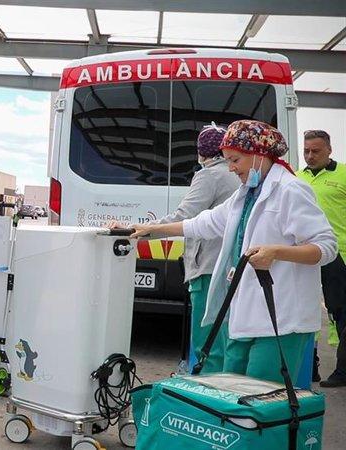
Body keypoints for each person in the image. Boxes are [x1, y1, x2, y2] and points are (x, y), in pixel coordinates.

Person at [124, 120, 337, 384]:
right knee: (234, 398)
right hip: (244, 314)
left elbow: (327, 247)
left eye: (235, 160)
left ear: (259, 155)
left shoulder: (291, 190)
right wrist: (149, 230)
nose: (231, 168)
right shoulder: (245, 194)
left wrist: (277, 252)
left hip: (280, 319)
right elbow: (202, 223)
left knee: (261, 401)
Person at [151, 123, 240, 372]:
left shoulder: (209, 174)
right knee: (224, 337)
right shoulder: (236, 173)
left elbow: (184, 217)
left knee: (207, 343)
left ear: (203, 153)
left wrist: (141, 231)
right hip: (229, 266)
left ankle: (209, 396)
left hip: (208, 266)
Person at [297, 129, 346, 388]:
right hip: (306, 255)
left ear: (329, 150)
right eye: (306, 151)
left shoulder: (344, 175)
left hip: (339, 256)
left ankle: (343, 370)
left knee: (341, 313)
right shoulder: (296, 177)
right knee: (305, 309)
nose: (310, 155)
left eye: (315, 151)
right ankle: (310, 366)